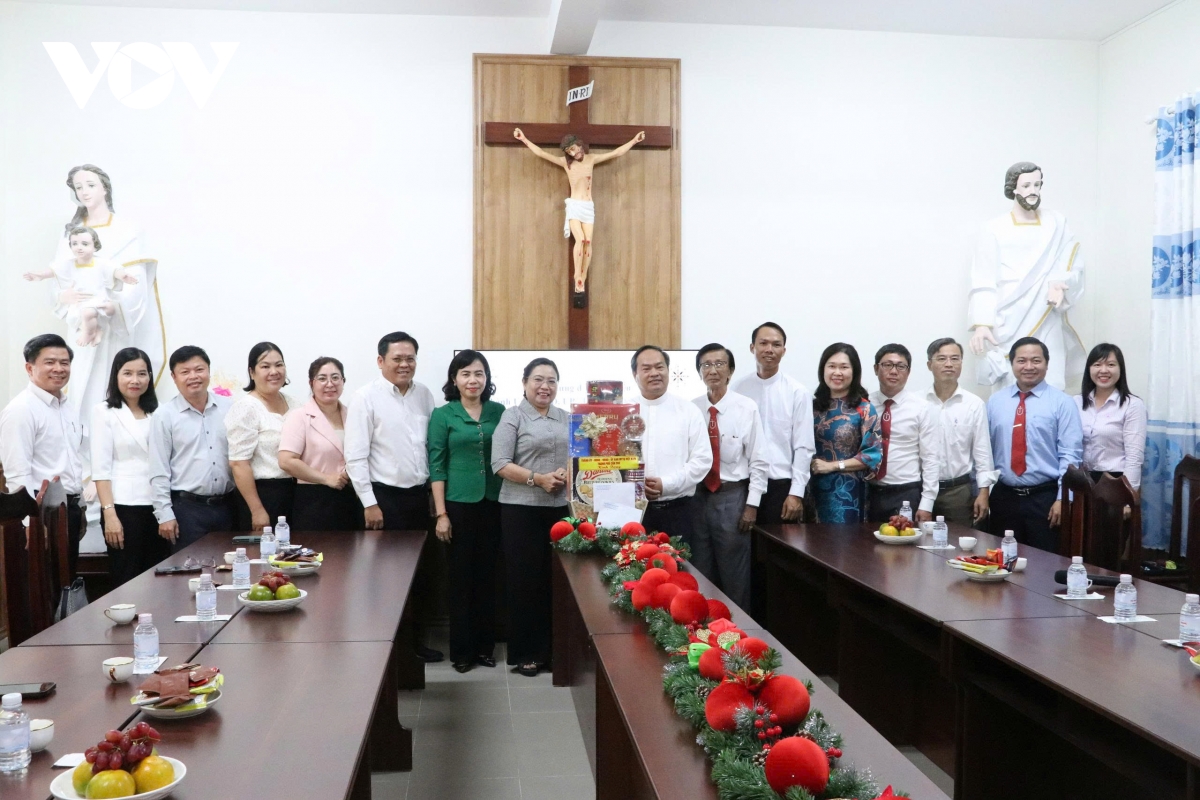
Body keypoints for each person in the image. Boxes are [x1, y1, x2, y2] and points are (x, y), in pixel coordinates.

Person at [344, 331, 441, 663]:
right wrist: (369, 503)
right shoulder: (365, 398)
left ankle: (416, 646)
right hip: (384, 501)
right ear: (380, 361)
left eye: (410, 358)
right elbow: (355, 456)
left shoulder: (424, 395)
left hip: (419, 499)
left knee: (421, 575)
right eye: (397, 358)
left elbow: (429, 449)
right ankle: (391, 651)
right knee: (387, 580)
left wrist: (432, 494)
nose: (404, 364)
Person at [968, 161, 1086, 390]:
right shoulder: (993, 227)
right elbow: (983, 277)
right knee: (1009, 385)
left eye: (1037, 185)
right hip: (1007, 317)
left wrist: (1059, 283)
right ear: (1013, 188)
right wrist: (982, 324)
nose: (1033, 191)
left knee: (1052, 381)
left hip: (1046, 311)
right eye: (1026, 185)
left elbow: (1072, 261)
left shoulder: (1056, 222)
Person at [491, 357, 570, 677]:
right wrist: (538, 479)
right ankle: (526, 653)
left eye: (551, 380)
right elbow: (500, 463)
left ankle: (555, 651)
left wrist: (567, 472)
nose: (544, 386)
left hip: (561, 511)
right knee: (525, 583)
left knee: (557, 582)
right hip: (520, 510)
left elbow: (578, 455)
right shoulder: (513, 416)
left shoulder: (566, 417)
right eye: (538, 379)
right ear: (524, 383)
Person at [428, 350, 505, 674]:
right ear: (454, 379)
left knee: (489, 577)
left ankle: (485, 648)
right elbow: (436, 466)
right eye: (466, 374)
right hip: (458, 506)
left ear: (487, 378)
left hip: (495, 503)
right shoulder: (443, 415)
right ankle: (461, 651)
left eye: (479, 373)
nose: (473, 380)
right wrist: (441, 514)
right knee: (460, 579)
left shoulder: (499, 411)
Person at [512, 127, 646, 298]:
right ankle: (577, 276)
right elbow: (541, 153)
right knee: (580, 239)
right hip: (575, 206)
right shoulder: (565, 163)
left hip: (588, 207)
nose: (572, 152)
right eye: (569, 151)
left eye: (573, 148)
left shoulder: (591, 159)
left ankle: (583, 277)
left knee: (588, 241)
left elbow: (616, 153)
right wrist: (523, 139)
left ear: (579, 145)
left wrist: (634, 141)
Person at [986, 337, 1083, 551]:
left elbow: (1070, 454)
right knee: (1002, 560)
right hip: (1004, 497)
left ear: (1047, 364)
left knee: (1045, 563)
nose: (1029, 366)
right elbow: (984, 451)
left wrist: (1063, 498)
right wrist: (981, 492)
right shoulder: (995, 402)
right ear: (1012, 364)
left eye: (1036, 360)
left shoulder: (1063, 403)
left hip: (1045, 499)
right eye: (1021, 361)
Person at [690, 344, 768, 611]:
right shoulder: (692, 409)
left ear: (731, 371)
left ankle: (737, 631)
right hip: (697, 498)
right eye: (706, 365)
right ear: (699, 372)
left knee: (735, 576)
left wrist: (752, 505)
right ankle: (702, 628)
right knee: (699, 573)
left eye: (719, 364)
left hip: (732, 497)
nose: (713, 370)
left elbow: (759, 459)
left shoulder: (746, 407)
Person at [0, 334, 84, 574]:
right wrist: (31, 524)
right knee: (44, 586)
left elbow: (72, 462)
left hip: (67, 509)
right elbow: (17, 473)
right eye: (50, 362)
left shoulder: (67, 406)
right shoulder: (21, 410)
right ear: (30, 368)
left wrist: (80, 508)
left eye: (64, 362)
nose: (59, 368)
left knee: (67, 582)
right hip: (40, 511)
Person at [91, 347, 167, 586]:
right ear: (116, 376)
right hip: (124, 506)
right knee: (128, 577)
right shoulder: (104, 412)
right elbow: (101, 469)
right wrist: (109, 514)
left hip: (159, 506)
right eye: (127, 373)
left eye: (142, 374)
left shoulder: (160, 411)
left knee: (158, 577)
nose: (135, 380)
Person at [149, 346, 235, 552]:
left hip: (229, 506)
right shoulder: (164, 415)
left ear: (208, 371)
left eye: (199, 369)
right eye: (185, 372)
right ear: (174, 377)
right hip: (187, 510)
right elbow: (159, 469)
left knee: (230, 566)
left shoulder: (229, 407)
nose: (193, 376)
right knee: (191, 568)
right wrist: (164, 514)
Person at [731, 322, 815, 525]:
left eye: (776, 345)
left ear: (784, 351)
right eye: (763, 343)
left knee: (778, 544)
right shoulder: (738, 389)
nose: (769, 349)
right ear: (752, 347)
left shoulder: (797, 392)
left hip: (781, 487)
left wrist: (796, 493)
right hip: (743, 486)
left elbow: (804, 447)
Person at [630, 345, 712, 543]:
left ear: (668, 370)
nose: (654, 373)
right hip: (633, 511)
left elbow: (701, 461)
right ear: (635, 374)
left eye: (660, 367)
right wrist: (636, 485)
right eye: (646, 368)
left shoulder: (688, 411)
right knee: (631, 561)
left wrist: (665, 484)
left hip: (678, 511)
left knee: (678, 562)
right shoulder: (625, 412)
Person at [279, 357, 363, 531]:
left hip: (350, 497)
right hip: (314, 500)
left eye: (335, 377)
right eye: (322, 378)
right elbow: (286, 461)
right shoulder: (300, 416)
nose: (330, 384)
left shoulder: (353, 415)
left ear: (343, 381)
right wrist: (326, 479)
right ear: (311, 383)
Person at [224, 342, 301, 531]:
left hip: (296, 493)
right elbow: (238, 464)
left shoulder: (295, 404)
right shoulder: (246, 408)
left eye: (279, 365)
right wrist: (257, 510)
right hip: (263, 495)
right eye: (265, 366)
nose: (274, 371)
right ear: (252, 372)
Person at [23, 226, 139, 347]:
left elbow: (113, 270)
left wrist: (123, 276)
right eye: (75, 244)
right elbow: (55, 271)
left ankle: (89, 333)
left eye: (84, 244)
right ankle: (97, 330)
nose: (79, 247)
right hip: (79, 302)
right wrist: (41, 275)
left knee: (88, 313)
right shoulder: (69, 264)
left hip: (97, 299)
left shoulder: (100, 263)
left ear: (94, 246)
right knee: (76, 318)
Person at [924, 338, 997, 527]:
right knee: (918, 541)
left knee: (959, 542)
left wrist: (984, 492)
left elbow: (982, 452)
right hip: (921, 489)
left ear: (961, 364)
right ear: (929, 365)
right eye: (942, 359)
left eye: (955, 358)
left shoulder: (974, 404)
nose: (949, 364)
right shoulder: (918, 402)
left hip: (958, 492)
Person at [809, 344, 882, 524]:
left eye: (844, 367)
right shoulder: (810, 407)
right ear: (823, 370)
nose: (837, 372)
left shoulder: (865, 409)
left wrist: (832, 466)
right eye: (832, 366)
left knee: (844, 540)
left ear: (854, 371)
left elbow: (872, 456)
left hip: (848, 494)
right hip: (809, 491)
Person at [867, 344, 939, 523]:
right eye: (887, 365)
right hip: (869, 491)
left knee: (904, 541)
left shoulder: (921, 408)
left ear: (908, 372)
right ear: (876, 369)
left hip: (906, 493)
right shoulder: (865, 404)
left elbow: (931, 458)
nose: (894, 371)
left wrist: (927, 504)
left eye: (901, 366)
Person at [1075, 343, 1147, 491]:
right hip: (1080, 481)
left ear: (1120, 369)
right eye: (1097, 365)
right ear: (1089, 369)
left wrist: (1128, 494)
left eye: (1111, 365)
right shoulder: (1075, 402)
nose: (1103, 370)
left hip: (1115, 482)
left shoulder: (1132, 405)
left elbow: (1134, 457)